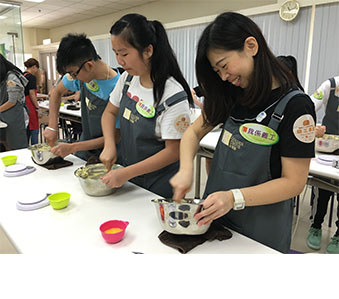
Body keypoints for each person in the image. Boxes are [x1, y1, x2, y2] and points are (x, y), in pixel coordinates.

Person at [170, 12, 316, 253]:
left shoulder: (296, 106)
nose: (224, 77)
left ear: (251, 46)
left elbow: (294, 183)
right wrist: (186, 171)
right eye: (217, 71)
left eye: (224, 65)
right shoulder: (231, 94)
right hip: (216, 216)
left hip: (261, 228)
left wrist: (234, 198)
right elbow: (193, 134)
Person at [100, 13, 193, 198]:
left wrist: (127, 173)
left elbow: (173, 152)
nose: (119, 61)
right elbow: (109, 113)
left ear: (148, 51)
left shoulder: (172, 94)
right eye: (116, 53)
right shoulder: (127, 79)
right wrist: (109, 144)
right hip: (129, 176)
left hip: (158, 184)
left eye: (125, 53)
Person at [43, 33, 120, 161]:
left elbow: (117, 136)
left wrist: (73, 147)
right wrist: (52, 127)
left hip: (110, 155)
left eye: (74, 74)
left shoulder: (118, 86)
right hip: (85, 149)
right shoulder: (81, 75)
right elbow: (56, 93)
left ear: (89, 65)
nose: (73, 78)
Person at [306, 76, 339, 254]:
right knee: (323, 190)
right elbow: (308, 108)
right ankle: (316, 225)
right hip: (327, 149)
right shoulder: (331, 85)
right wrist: (313, 127)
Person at [0, 54, 29, 150]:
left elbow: (12, 101)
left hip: (15, 119)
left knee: (17, 148)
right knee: (4, 143)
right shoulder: (3, 79)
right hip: (4, 117)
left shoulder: (12, 78)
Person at [24, 58, 41, 145]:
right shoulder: (31, 77)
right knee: (34, 127)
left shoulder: (22, 75)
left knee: (27, 128)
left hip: (24, 106)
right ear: (34, 67)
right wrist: (38, 107)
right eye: (37, 69)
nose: (36, 71)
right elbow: (32, 94)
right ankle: (35, 147)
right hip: (30, 105)